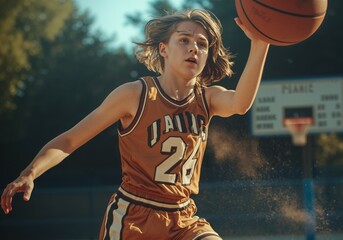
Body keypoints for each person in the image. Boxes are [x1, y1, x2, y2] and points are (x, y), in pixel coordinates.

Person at [1, 9, 269, 240]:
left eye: (202, 44)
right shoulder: (135, 94)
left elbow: (241, 104)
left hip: (183, 217)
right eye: (184, 40)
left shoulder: (207, 98)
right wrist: (30, 172)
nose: (194, 48)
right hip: (134, 216)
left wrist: (260, 45)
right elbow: (70, 140)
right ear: (163, 49)